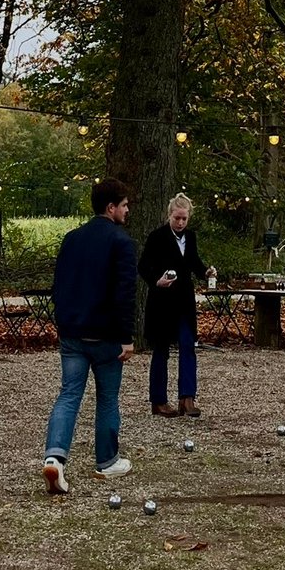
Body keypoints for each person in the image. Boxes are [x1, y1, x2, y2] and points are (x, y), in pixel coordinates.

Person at [41, 177, 137, 494]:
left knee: (69, 395)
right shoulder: (121, 243)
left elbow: (59, 286)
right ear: (111, 207)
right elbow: (125, 293)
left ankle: (55, 458)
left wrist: (63, 321)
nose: (127, 210)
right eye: (124, 205)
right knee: (107, 399)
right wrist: (127, 336)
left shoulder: (71, 238)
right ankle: (107, 461)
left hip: (72, 332)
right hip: (106, 336)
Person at [139, 193, 216, 418]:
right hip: (162, 302)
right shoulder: (157, 237)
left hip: (184, 302)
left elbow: (193, 262)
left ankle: (187, 398)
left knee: (187, 346)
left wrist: (205, 272)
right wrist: (157, 281)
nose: (180, 223)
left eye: (184, 219)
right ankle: (159, 401)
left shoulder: (190, 237)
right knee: (161, 350)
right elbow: (143, 265)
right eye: (177, 218)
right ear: (169, 216)